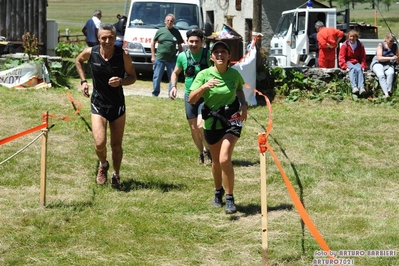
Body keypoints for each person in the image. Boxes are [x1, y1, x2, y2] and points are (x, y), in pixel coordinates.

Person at [188, 41, 248, 214]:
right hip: (211, 121)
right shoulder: (204, 75)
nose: (220, 55)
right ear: (212, 57)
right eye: (217, 52)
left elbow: (238, 90)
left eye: (224, 52)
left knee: (224, 159)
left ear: (229, 56)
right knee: (216, 162)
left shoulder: (234, 75)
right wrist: (204, 87)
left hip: (232, 120)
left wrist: (243, 104)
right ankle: (217, 191)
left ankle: (230, 197)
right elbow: (192, 99)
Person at [75, 22, 137, 188]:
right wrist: (83, 81)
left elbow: (133, 77)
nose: (107, 41)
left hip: (117, 106)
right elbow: (78, 61)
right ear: (98, 38)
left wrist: (122, 81)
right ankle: (103, 164)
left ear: (115, 38)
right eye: (104, 38)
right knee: (99, 143)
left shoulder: (123, 55)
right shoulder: (91, 52)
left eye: (111, 38)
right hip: (98, 104)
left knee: (116, 145)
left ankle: (116, 174)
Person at [169, 28, 212, 165]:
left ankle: (207, 149)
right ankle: (201, 153)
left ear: (202, 42)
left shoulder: (208, 55)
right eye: (191, 41)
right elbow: (175, 73)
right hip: (189, 96)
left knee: (201, 125)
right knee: (193, 127)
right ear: (187, 42)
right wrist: (173, 86)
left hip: (205, 95)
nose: (194, 44)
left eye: (196, 42)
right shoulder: (182, 56)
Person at [150, 14, 184, 97]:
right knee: (157, 76)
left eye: (171, 21)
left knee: (173, 76)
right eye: (168, 20)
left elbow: (180, 45)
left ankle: (171, 93)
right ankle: (155, 93)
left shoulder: (176, 32)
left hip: (172, 59)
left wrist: (181, 57)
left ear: (174, 22)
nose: (169, 22)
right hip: (160, 58)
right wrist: (153, 56)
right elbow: (153, 43)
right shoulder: (160, 31)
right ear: (165, 21)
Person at [339, 30, 367, 95]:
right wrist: (344, 66)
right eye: (350, 36)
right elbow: (341, 56)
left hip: (356, 62)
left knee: (359, 69)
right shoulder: (345, 45)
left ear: (356, 37)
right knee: (352, 69)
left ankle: (361, 87)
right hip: (348, 62)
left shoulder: (360, 45)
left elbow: (363, 56)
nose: (352, 38)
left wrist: (363, 65)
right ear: (348, 37)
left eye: (354, 37)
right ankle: (354, 87)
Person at [371, 33, 399, 98]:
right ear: (386, 39)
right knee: (381, 75)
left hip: (389, 64)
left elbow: (397, 58)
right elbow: (379, 58)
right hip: (378, 63)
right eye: (390, 41)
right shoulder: (381, 45)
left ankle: (389, 92)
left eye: (393, 41)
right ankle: (386, 93)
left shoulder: (395, 46)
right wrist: (391, 58)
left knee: (391, 73)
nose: (392, 43)